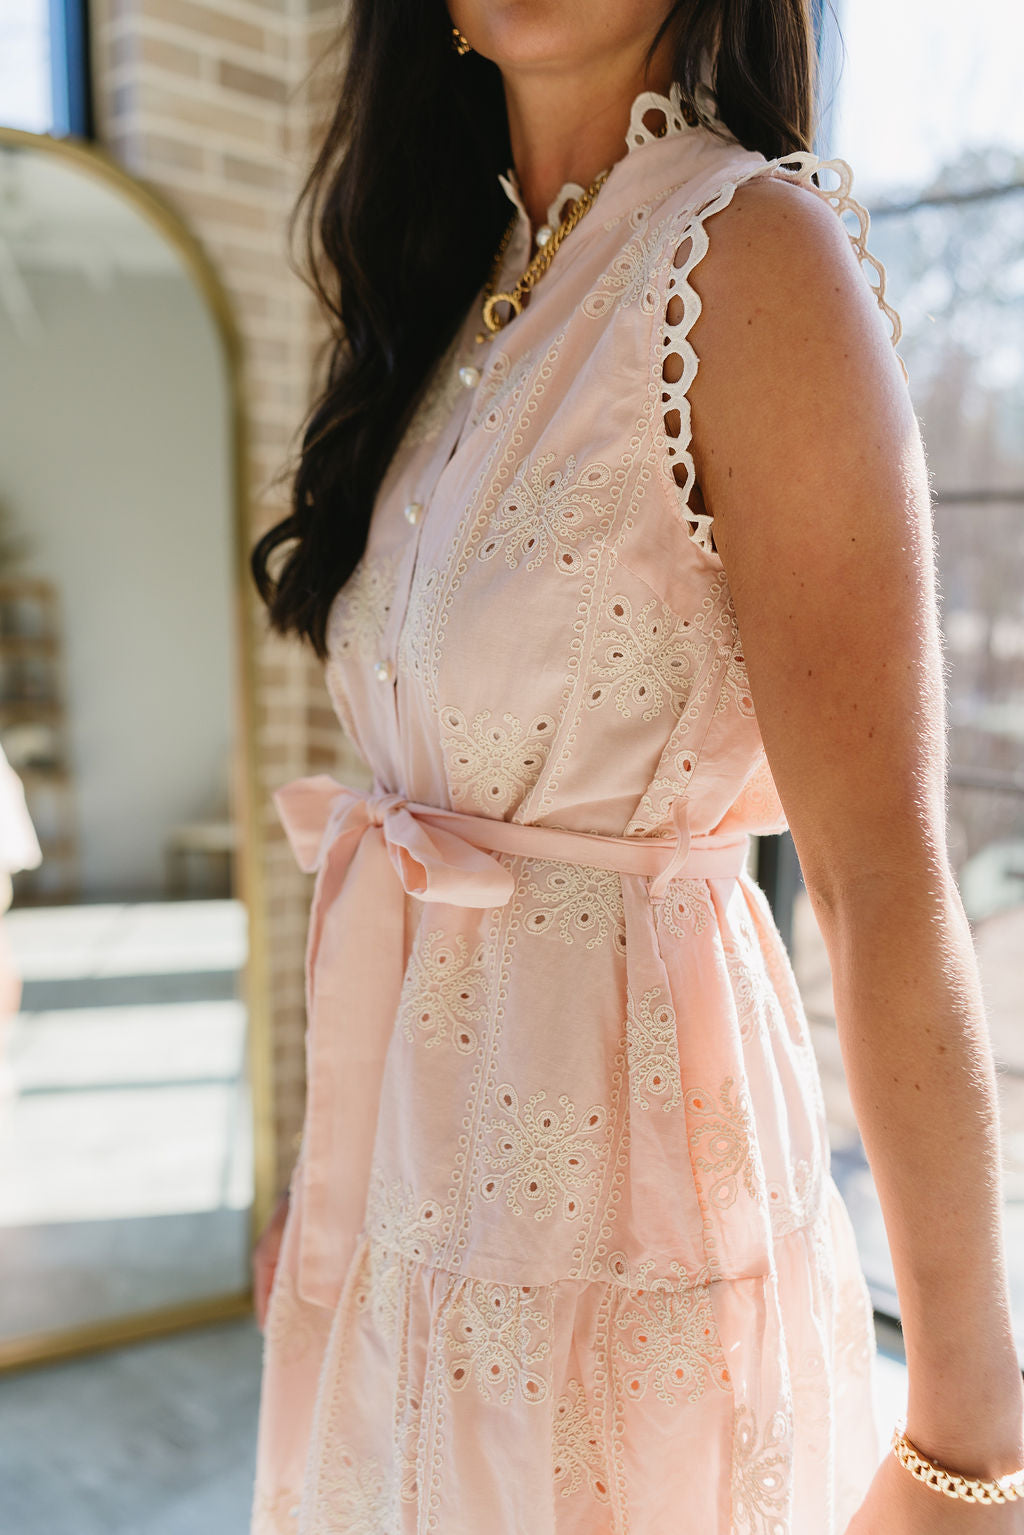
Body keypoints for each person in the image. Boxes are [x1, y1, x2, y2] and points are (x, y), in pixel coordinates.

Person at [246, 2, 1024, 1531]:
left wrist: (975, 1447)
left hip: (625, 1208)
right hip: (414, 1206)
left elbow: (878, 880)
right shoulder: (462, 296)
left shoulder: (752, 259)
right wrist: (327, 1179)